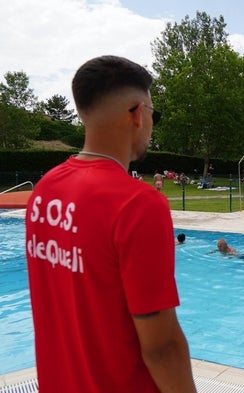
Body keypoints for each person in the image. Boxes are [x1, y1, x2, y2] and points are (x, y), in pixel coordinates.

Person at [25, 56, 197, 393]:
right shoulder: (138, 205)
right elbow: (161, 346)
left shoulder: (45, 190)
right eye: (153, 114)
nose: (151, 123)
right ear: (137, 114)